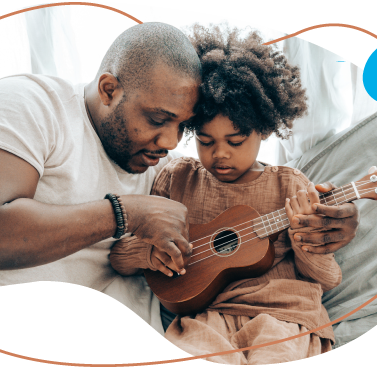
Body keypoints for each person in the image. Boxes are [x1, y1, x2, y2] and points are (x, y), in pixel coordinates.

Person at [0, 22, 357, 334]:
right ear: (109, 89)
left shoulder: (157, 169)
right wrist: (125, 212)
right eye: (157, 119)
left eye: (181, 126)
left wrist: (332, 221)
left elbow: (217, 227)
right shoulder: (29, 103)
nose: (169, 141)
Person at [109, 24, 342, 363]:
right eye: (205, 141)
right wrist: (147, 254)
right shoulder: (178, 179)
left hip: (286, 317)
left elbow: (329, 277)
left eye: (235, 142)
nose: (220, 154)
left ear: (263, 128)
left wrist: (304, 236)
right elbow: (119, 256)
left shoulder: (291, 185)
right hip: (206, 318)